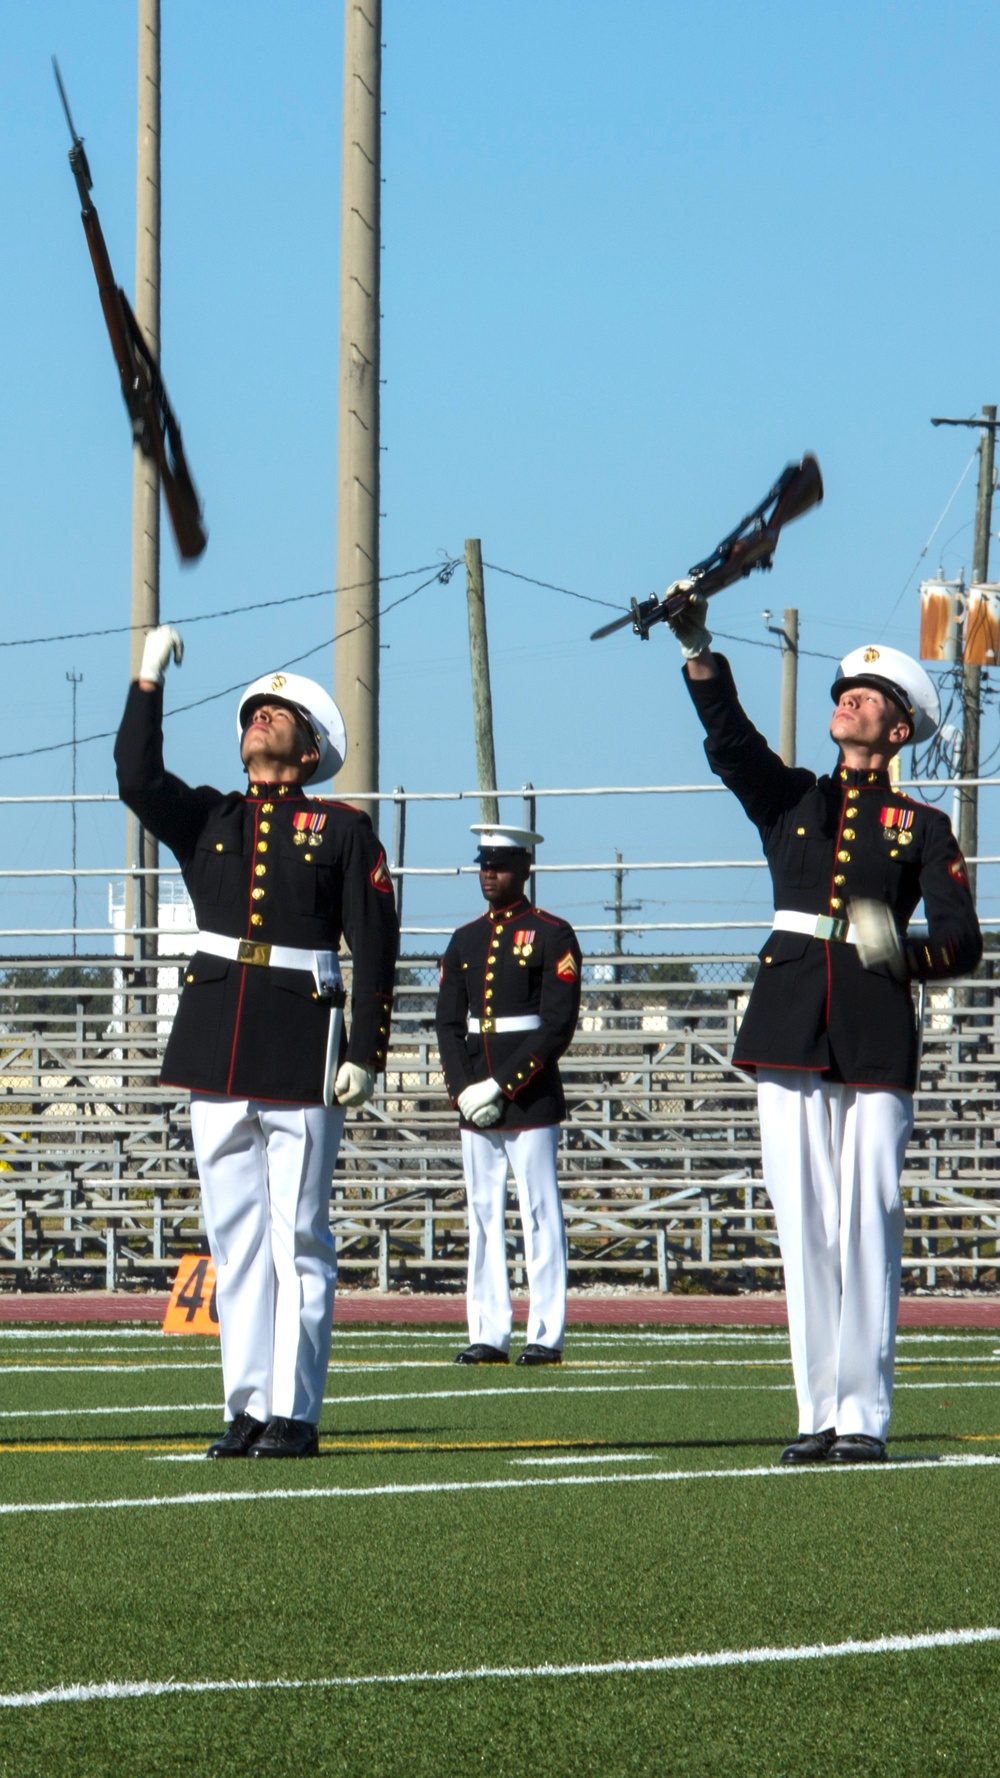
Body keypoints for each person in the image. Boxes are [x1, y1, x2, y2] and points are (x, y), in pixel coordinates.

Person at [664, 593, 981, 1462]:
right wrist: (699, 650)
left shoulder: (922, 825)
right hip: (788, 1022)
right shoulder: (792, 799)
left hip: (875, 1029)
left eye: (870, 694)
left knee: (867, 1217)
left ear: (900, 730)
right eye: (846, 687)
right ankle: (817, 1414)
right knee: (802, 1221)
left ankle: (864, 1418)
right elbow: (731, 744)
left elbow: (963, 940)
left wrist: (904, 953)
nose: (850, 696)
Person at [115, 626, 399, 1458]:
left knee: (298, 1237)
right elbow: (135, 776)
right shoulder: (209, 816)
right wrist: (145, 679)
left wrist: (367, 1052)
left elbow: (375, 944)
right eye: (254, 711)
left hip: (302, 1045)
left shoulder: (343, 832)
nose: (261, 718)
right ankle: (245, 1405)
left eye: (279, 713)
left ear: (309, 752)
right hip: (216, 1046)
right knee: (235, 1239)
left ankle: (295, 1411)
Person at [436, 824, 582, 1365]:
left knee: (540, 1213)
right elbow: (448, 1023)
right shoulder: (465, 939)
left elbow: (556, 1024)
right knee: (482, 1214)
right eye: (482, 863)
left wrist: (502, 1084)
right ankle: (488, 1331)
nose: (487, 873)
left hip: (530, 1096)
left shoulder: (552, 934)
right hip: (475, 1096)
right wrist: (463, 1091)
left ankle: (545, 1333)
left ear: (524, 869)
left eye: (498, 864)